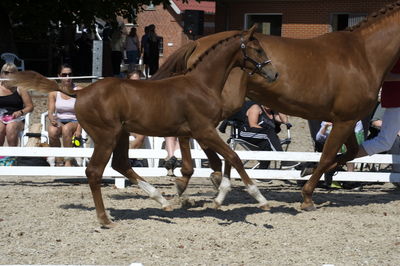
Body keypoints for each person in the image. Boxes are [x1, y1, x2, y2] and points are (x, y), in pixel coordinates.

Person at [229, 100, 298, 169]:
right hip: (245, 133)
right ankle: (283, 160)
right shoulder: (256, 108)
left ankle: (262, 171)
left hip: (261, 136)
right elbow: (253, 124)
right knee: (269, 133)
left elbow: (285, 121)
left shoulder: (273, 114)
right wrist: (269, 134)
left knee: (268, 145)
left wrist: (279, 108)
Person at [356, 59, 400, 159]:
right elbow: (381, 74)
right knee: (384, 142)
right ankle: (336, 160)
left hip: (395, 99)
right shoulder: (393, 49)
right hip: (396, 100)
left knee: (384, 142)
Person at [47, 64, 83, 166]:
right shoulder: (54, 92)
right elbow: (50, 111)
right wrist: (52, 119)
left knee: (66, 129)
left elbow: (83, 113)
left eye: (70, 74)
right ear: (59, 76)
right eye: (64, 75)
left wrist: (79, 130)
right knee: (52, 131)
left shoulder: (79, 90)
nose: (68, 77)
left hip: (75, 120)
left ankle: (68, 160)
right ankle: (59, 158)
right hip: (60, 119)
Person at [316, 120, 364, 188]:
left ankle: (349, 176)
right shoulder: (326, 121)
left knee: (347, 147)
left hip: (346, 144)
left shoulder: (355, 120)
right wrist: (325, 127)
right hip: (329, 145)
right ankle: (331, 176)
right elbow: (318, 138)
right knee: (335, 144)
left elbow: (358, 137)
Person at [0, 63, 34, 147]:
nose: (9, 75)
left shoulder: (20, 88)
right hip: (0, 116)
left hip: (17, 118)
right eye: (6, 72)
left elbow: (30, 106)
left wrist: (21, 112)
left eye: (12, 73)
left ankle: (13, 156)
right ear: (2, 74)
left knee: (10, 127)